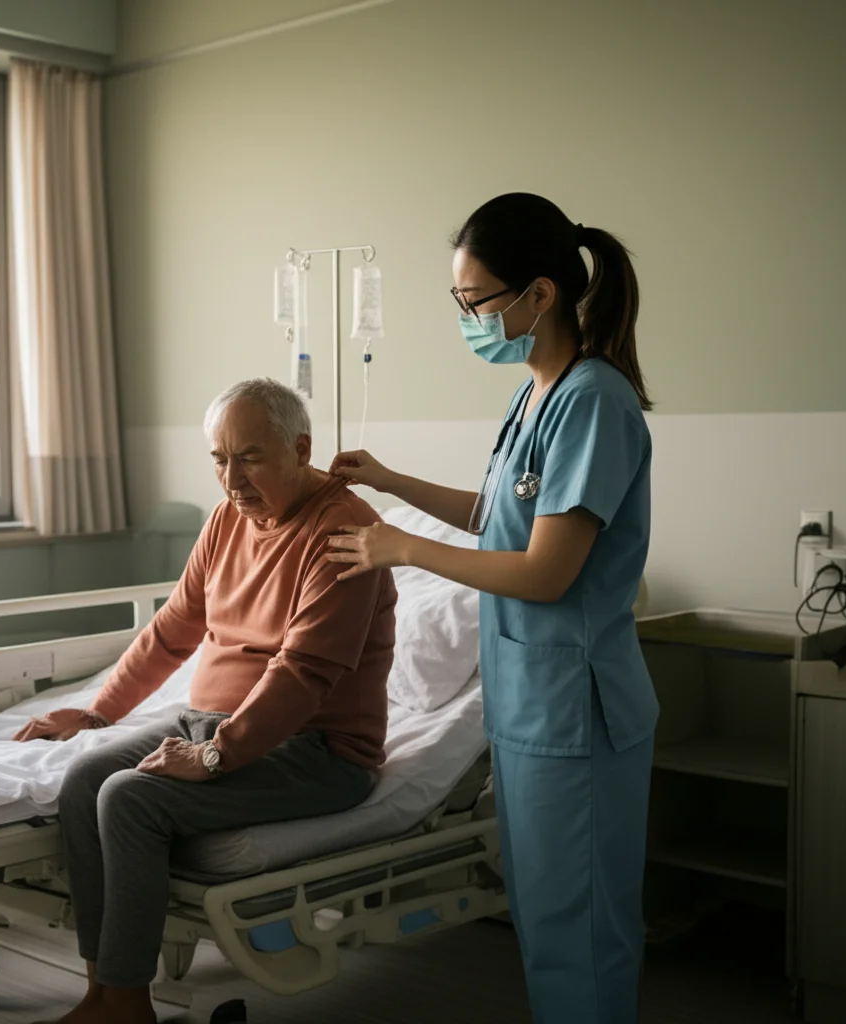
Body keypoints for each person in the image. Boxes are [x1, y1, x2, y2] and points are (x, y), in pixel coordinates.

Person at [327, 193, 659, 1023]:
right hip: (529, 706)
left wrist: (401, 549)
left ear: (539, 295)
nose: (466, 318)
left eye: (474, 302)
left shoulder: (592, 400)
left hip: (576, 715)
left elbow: (547, 573)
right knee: (547, 920)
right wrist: (392, 483)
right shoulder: (534, 393)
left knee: (578, 928)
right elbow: (499, 516)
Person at [14, 378, 397, 1024]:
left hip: (318, 752)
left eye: (248, 457)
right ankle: (104, 992)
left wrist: (217, 755)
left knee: (128, 798)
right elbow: (174, 629)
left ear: (300, 448)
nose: (231, 480)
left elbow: (302, 674)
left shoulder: (345, 532)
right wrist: (100, 711)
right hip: (212, 724)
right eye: (219, 460)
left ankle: (127, 1000)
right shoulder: (226, 521)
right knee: (83, 780)